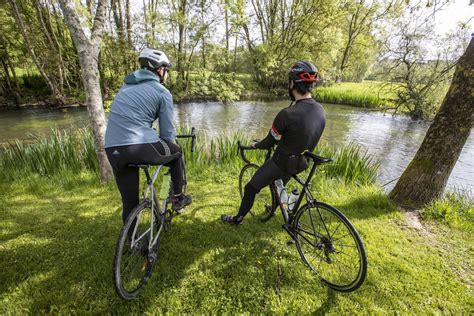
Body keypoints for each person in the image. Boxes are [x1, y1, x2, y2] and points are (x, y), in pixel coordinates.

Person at [221, 61, 326, 225]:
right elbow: (305, 135)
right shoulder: (320, 110)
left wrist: (255, 145)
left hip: (282, 162)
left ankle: (237, 219)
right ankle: (278, 206)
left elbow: (269, 142)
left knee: (251, 188)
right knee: (279, 185)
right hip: (302, 162)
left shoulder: (286, 114)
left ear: (292, 83)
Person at [105, 48, 192, 224]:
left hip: (112, 148)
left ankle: (131, 242)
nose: (166, 74)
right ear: (160, 69)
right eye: (166, 70)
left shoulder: (125, 88)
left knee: (129, 203)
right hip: (139, 145)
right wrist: (171, 143)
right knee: (176, 154)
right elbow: (167, 133)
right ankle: (177, 198)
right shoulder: (162, 92)